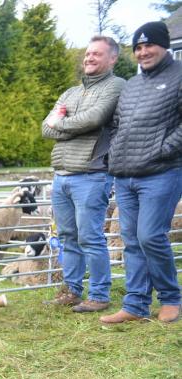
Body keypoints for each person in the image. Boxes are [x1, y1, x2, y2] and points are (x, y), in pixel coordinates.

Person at [101, 21, 182, 325]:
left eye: (149, 45)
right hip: (125, 173)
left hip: (162, 172)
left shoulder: (179, 75)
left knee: (150, 236)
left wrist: (163, 148)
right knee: (131, 241)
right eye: (138, 47)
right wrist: (115, 154)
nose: (144, 51)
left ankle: (171, 297)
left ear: (165, 46)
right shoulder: (132, 84)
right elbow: (119, 125)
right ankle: (135, 304)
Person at [41, 36, 125, 314]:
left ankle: (99, 295)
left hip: (92, 175)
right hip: (62, 174)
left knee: (90, 236)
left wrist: (61, 123)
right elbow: (46, 128)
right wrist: (66, 124)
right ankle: (72, 291)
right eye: (88, 53)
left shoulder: (116, 86)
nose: (89, 58)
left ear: (112, 59)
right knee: (67, 236)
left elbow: (95, 118)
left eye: (97, 54)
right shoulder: (69, 93)